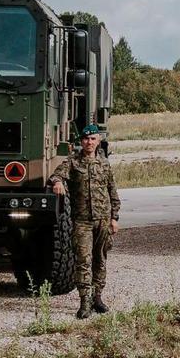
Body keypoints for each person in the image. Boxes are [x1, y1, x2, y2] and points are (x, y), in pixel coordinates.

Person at [50, 123, 120, 319]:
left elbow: (112, 191)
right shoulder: (73, 162)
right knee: (83, 261)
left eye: (93, 139)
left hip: (103, 220)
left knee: (100, 259)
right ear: (81, 141)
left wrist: (115, 217)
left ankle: (97, 297)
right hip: (82, 222)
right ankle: (84, 302)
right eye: (86, 139)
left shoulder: (104, 163)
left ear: (98, 142)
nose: (89, 142)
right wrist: (57, 182)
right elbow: (56, 175)